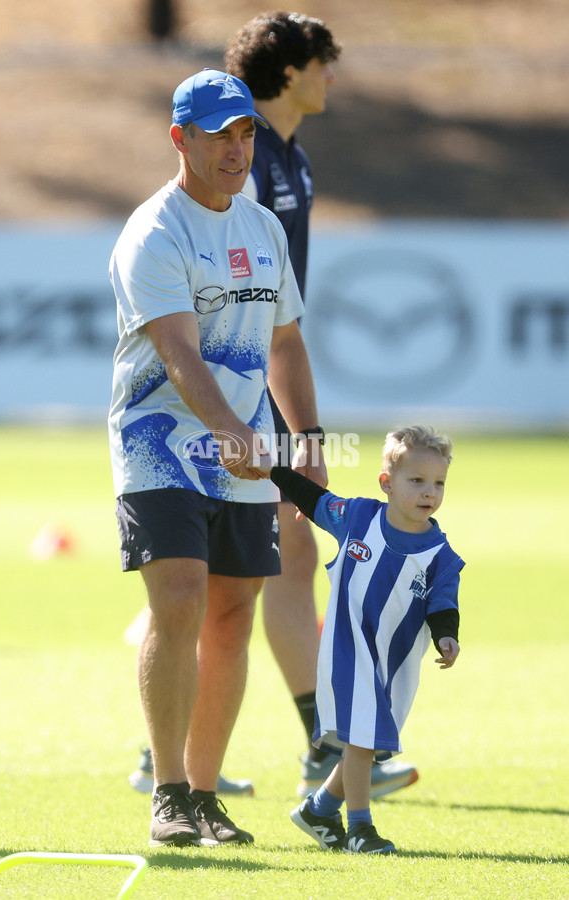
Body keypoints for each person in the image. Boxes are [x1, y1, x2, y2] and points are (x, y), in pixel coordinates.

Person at [109, 67, 327, 847]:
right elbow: (178, 355)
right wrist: (232, 431)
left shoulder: (262, 227)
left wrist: (306, 438)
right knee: (179, 600)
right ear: (181, 139)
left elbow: (287, 341)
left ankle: (203, 795)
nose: (237, 149)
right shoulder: (155, 232)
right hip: (159, 444)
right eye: (219, 135)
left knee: (233, 617)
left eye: (245, 134)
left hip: (251, 453)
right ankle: (167, 790)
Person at [225, 11, 419, 800]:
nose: (331, 76)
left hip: (266, 379)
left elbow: (284, 314)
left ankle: (308, 737)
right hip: (234, 386)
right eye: (321, 63)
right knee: (263, 561)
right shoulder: (246, 155)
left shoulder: (290, 159)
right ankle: (321, 740)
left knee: (261, 563)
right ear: (289, 69)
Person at [250, 425, 463, 854]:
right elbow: (314, 500)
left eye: (438, 483)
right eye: (417, 481)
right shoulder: (360, 517)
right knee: (363, 737)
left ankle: (319, 808)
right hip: (348, 651)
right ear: (387, 483)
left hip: (394, 666)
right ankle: (360, 830)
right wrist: (273, 472)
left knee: (365, 743)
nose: (429, 492)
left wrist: (447, 638)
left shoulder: (440, 553)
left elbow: (443, 604)